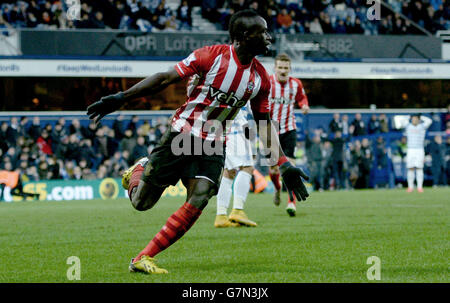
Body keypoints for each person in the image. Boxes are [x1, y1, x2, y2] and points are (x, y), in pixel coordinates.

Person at [87, 9, 309, 274]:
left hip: (214, 143)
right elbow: (165, 78)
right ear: (242, 36)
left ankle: (143, 258)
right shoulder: (211, 56)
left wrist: (283, 164)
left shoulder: (260, 78)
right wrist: (122, 98)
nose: (268, 36)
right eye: (261, 31)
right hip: (182, 134)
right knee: (141, 204)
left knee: (201, 196)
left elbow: (263, 123)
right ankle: (140, 169)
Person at [267, 53, 309, 217]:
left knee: (289, 167)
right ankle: (277, 190)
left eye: (286, 68)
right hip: (269, 129)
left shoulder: (295, 84)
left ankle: (291, 202)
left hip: (289, 128)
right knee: (274, 170)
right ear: (275, 68)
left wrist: (304, 106)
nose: (283, 71)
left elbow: (302, 98)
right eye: (280, 67)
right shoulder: (268, 82)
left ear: (290, 69)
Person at [214, 104, 257, 228]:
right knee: (247, 167)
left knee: (229, 171)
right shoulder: (246, 86)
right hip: (236, 128)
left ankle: (221, 216)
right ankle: (238, 210)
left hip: (222, 129)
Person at [399, 114, 432, 192]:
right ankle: (410, 187)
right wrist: (408, 117)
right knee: (410, 168)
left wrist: (421, 117)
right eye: (413, 119)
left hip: (419, 149)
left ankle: (419, 187)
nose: (414, 120)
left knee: (419, 167)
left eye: (416, 119)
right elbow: (401, 121)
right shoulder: (408, 126)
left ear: (418, 119)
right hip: (410, 149)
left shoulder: (422, 126)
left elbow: (429, 121)